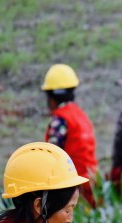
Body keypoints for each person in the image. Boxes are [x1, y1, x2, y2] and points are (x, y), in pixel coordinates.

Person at [42, 63, 99, 205]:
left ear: (51, 98)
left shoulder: (60, 120)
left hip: (72, 186)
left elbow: (53, 155)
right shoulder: (81, 115)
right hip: (92, 183)